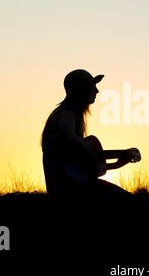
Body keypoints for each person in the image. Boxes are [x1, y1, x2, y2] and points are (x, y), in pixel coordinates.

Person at [40, 69, 137, 199]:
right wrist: (88, 150)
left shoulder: (65, 113)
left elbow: (82, 169)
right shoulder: (67, 112)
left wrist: (118, 163)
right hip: (69, 189)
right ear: (81, 89)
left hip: (68, 186)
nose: (97, 91)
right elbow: (66, 133)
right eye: (93, 87)